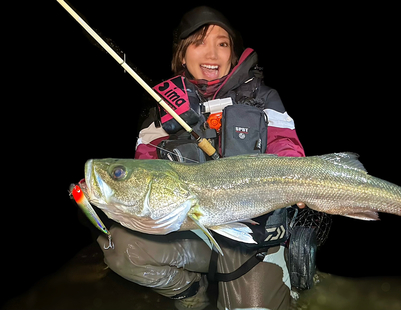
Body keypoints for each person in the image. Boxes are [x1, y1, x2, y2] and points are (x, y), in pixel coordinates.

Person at [97, 6, 306, 310]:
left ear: (233, 53)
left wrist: (296, 180)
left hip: (254, 232)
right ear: (182, 54)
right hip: (192, 231)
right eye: (199, 43)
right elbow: (144, 173)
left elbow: (286, 144)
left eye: (222, 44)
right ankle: (192, 294)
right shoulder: (161, 108)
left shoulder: (262, 96)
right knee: (123, 248)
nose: (212, 54)